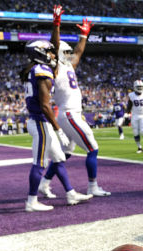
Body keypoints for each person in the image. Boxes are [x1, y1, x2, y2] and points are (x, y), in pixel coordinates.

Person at [39, 7, 110, 198]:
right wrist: (56, 24)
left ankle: (44, 183)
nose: (70, 53)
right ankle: (92, 186)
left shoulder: (68, 64)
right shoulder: (54, 67)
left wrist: (84, 35)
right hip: (69, 113)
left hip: (70, 114)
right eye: (66, 51)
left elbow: (78, 52)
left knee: (66, 152)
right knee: (93, 148)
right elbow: (55, 45)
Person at [20, 38, 90, 211]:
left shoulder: (35, 69)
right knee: (40, 163)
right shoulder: (41, 70)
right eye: (49, 51)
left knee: (58, 159)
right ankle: (31, 201)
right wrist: (59, 130)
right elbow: (45, 105)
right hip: (40, 123)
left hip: (41, 122)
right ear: (40, 53)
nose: (53, 54)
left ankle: (70, 193)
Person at [126, 79, 143, 153]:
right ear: (134, 87)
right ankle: (139, 147)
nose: (140, 88)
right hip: (135, 115)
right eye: (138, 87)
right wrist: (127, 113)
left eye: (141, 87)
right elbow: (129, 105)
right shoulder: (131, 95)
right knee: (135, 132)